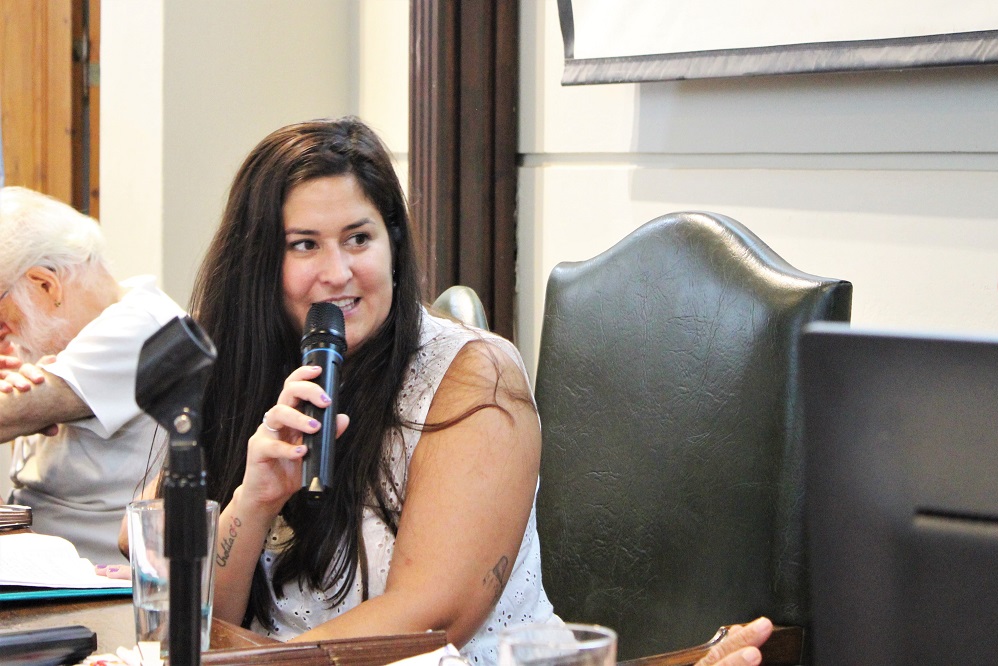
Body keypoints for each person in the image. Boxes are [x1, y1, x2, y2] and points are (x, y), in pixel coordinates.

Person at [191, 117, 773, 666]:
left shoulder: (475, 379)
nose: (337, 271)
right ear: (258, 262)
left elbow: (428, 622)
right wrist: (253, 503)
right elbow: (178, 604)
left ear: (394, 246)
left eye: (359, 238)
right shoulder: (236, 365)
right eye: (304, 244)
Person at [0, 186, 184, 564]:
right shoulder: (56, 337)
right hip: (33, 566)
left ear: (45, 284)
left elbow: (7, 413)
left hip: (93, 583)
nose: (4, 331)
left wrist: (20, 410)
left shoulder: (144, 327)